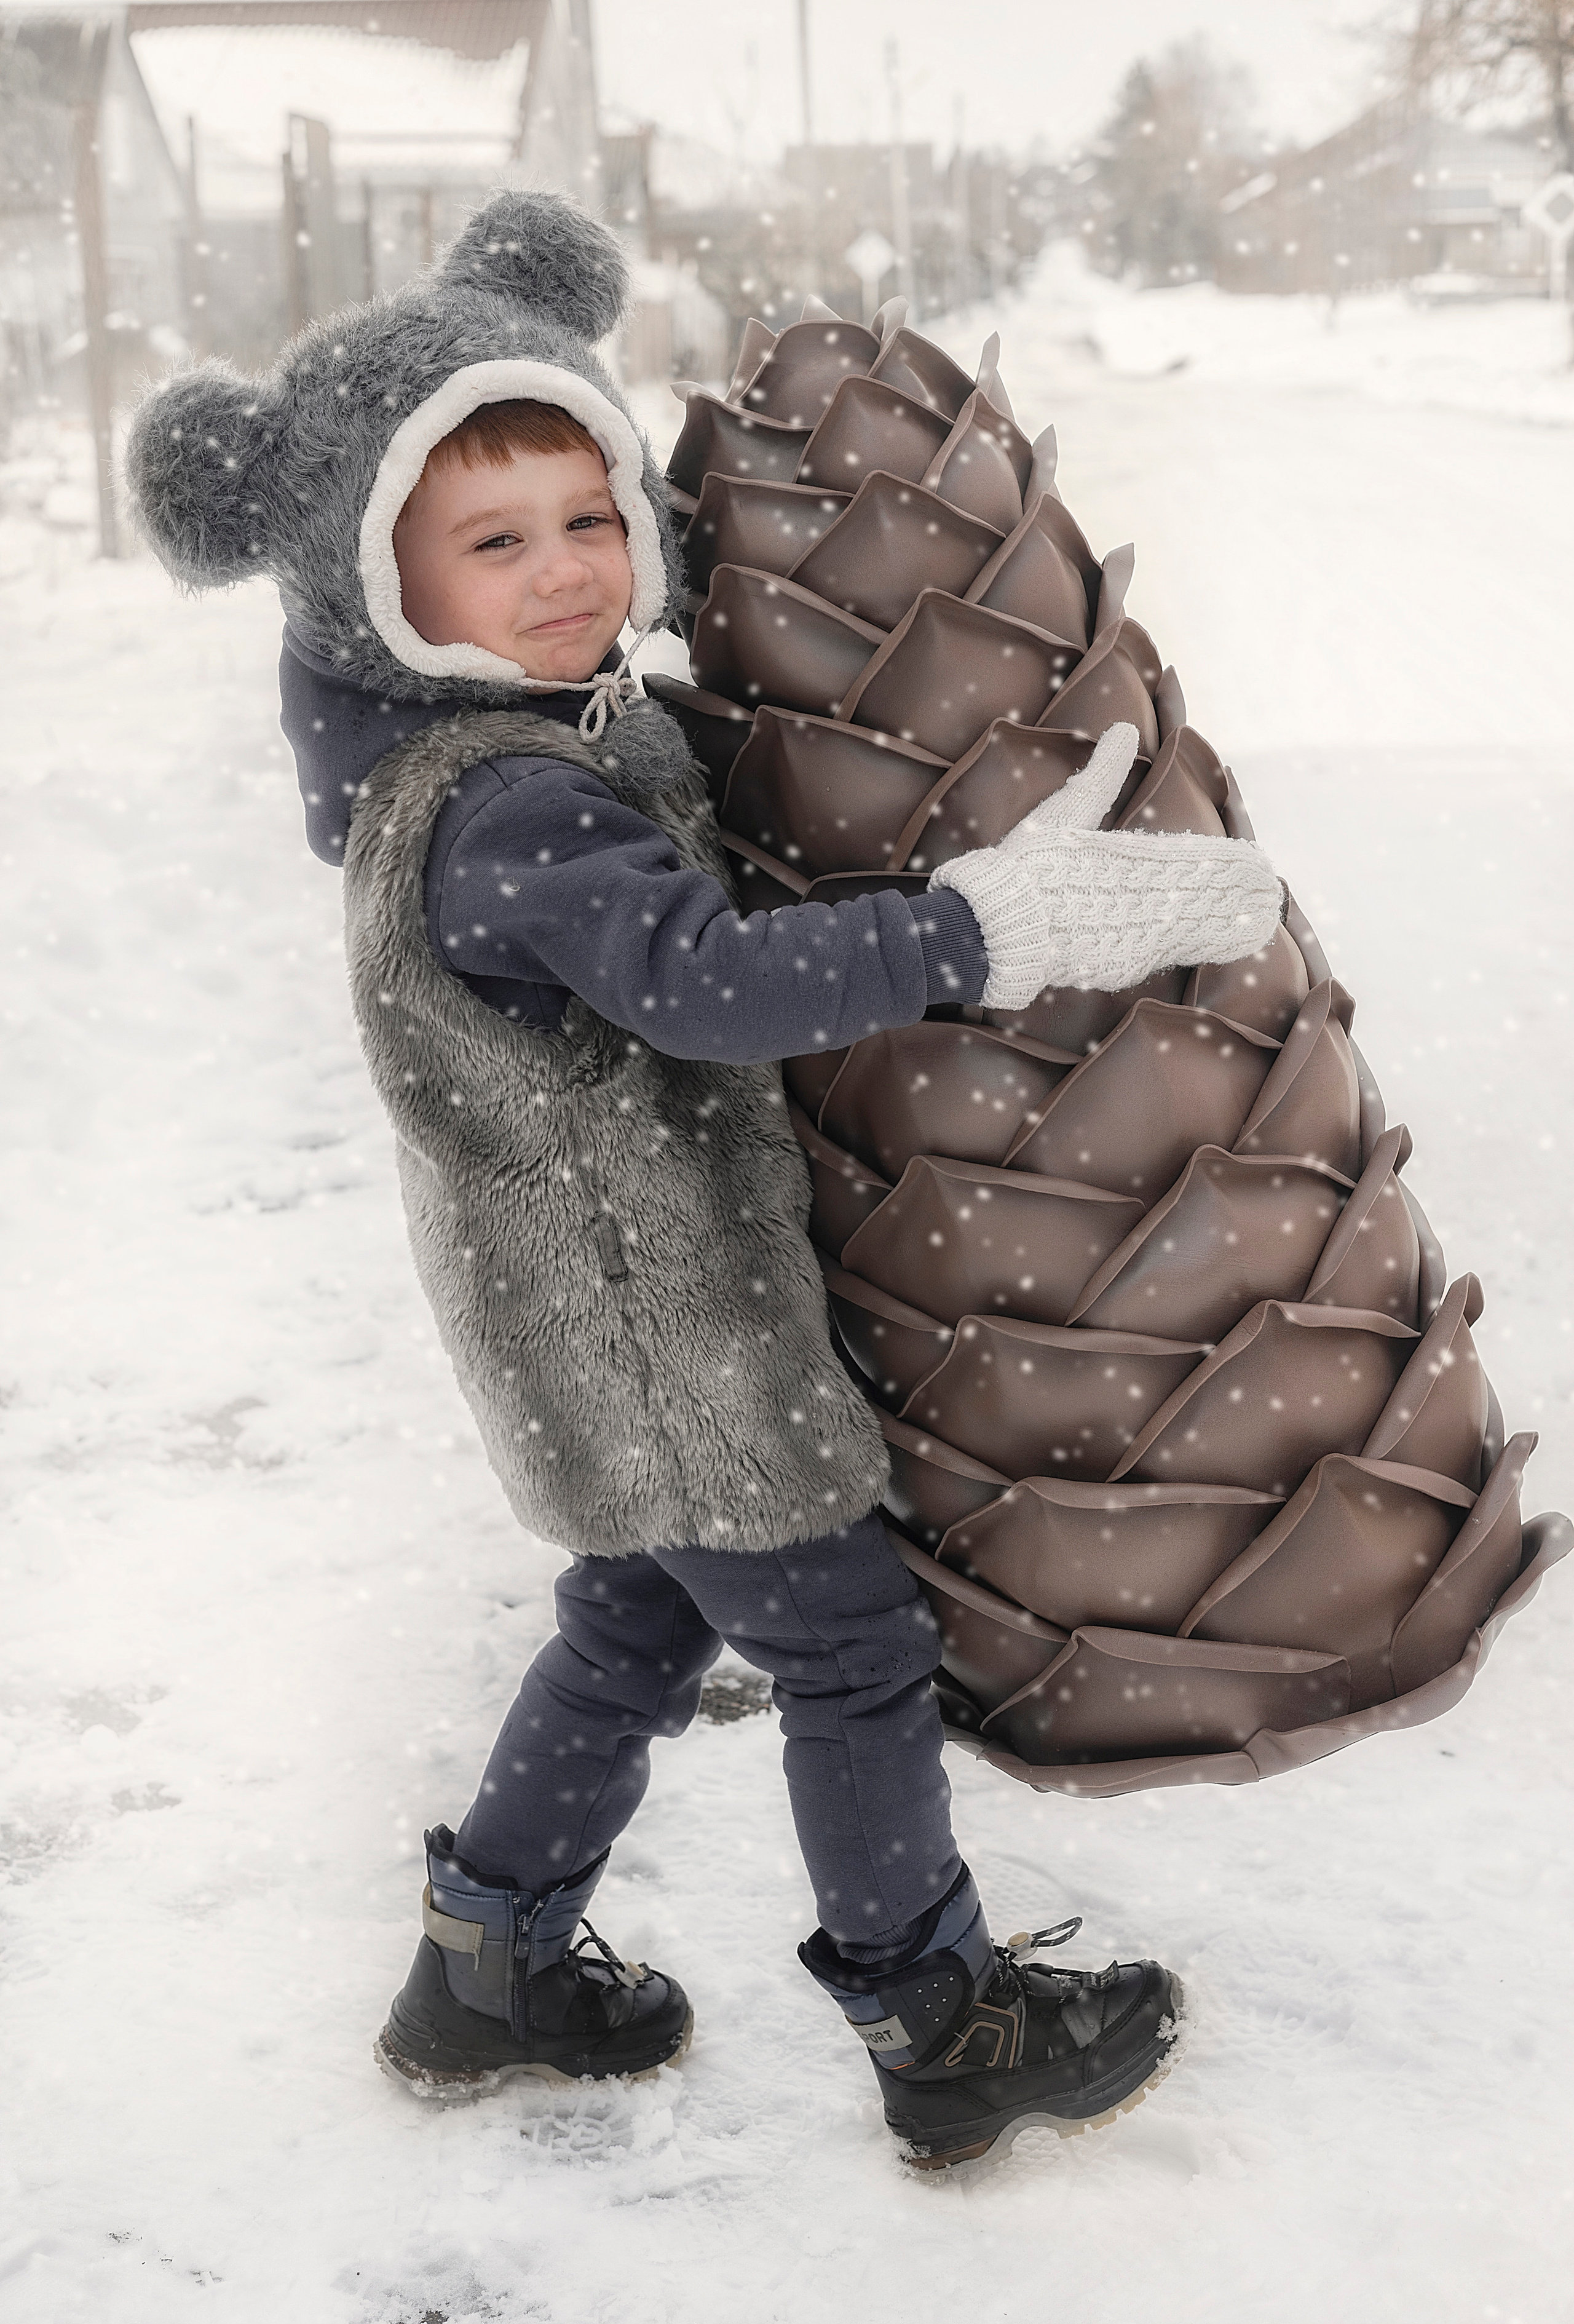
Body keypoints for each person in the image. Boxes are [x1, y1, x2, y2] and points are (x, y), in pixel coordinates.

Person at [125, 189, 1281, 2170]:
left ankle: (487, 1963)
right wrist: (971, 930)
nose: (566, 571)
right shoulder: (499, 810)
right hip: (671, 1335)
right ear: (373, 588)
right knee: (847, 1648)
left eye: (591, 517)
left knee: (635, 1628)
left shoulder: (544, 739)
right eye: (492, 543)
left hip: (607, 1329)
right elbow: (707, 983)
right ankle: (940, 2018)